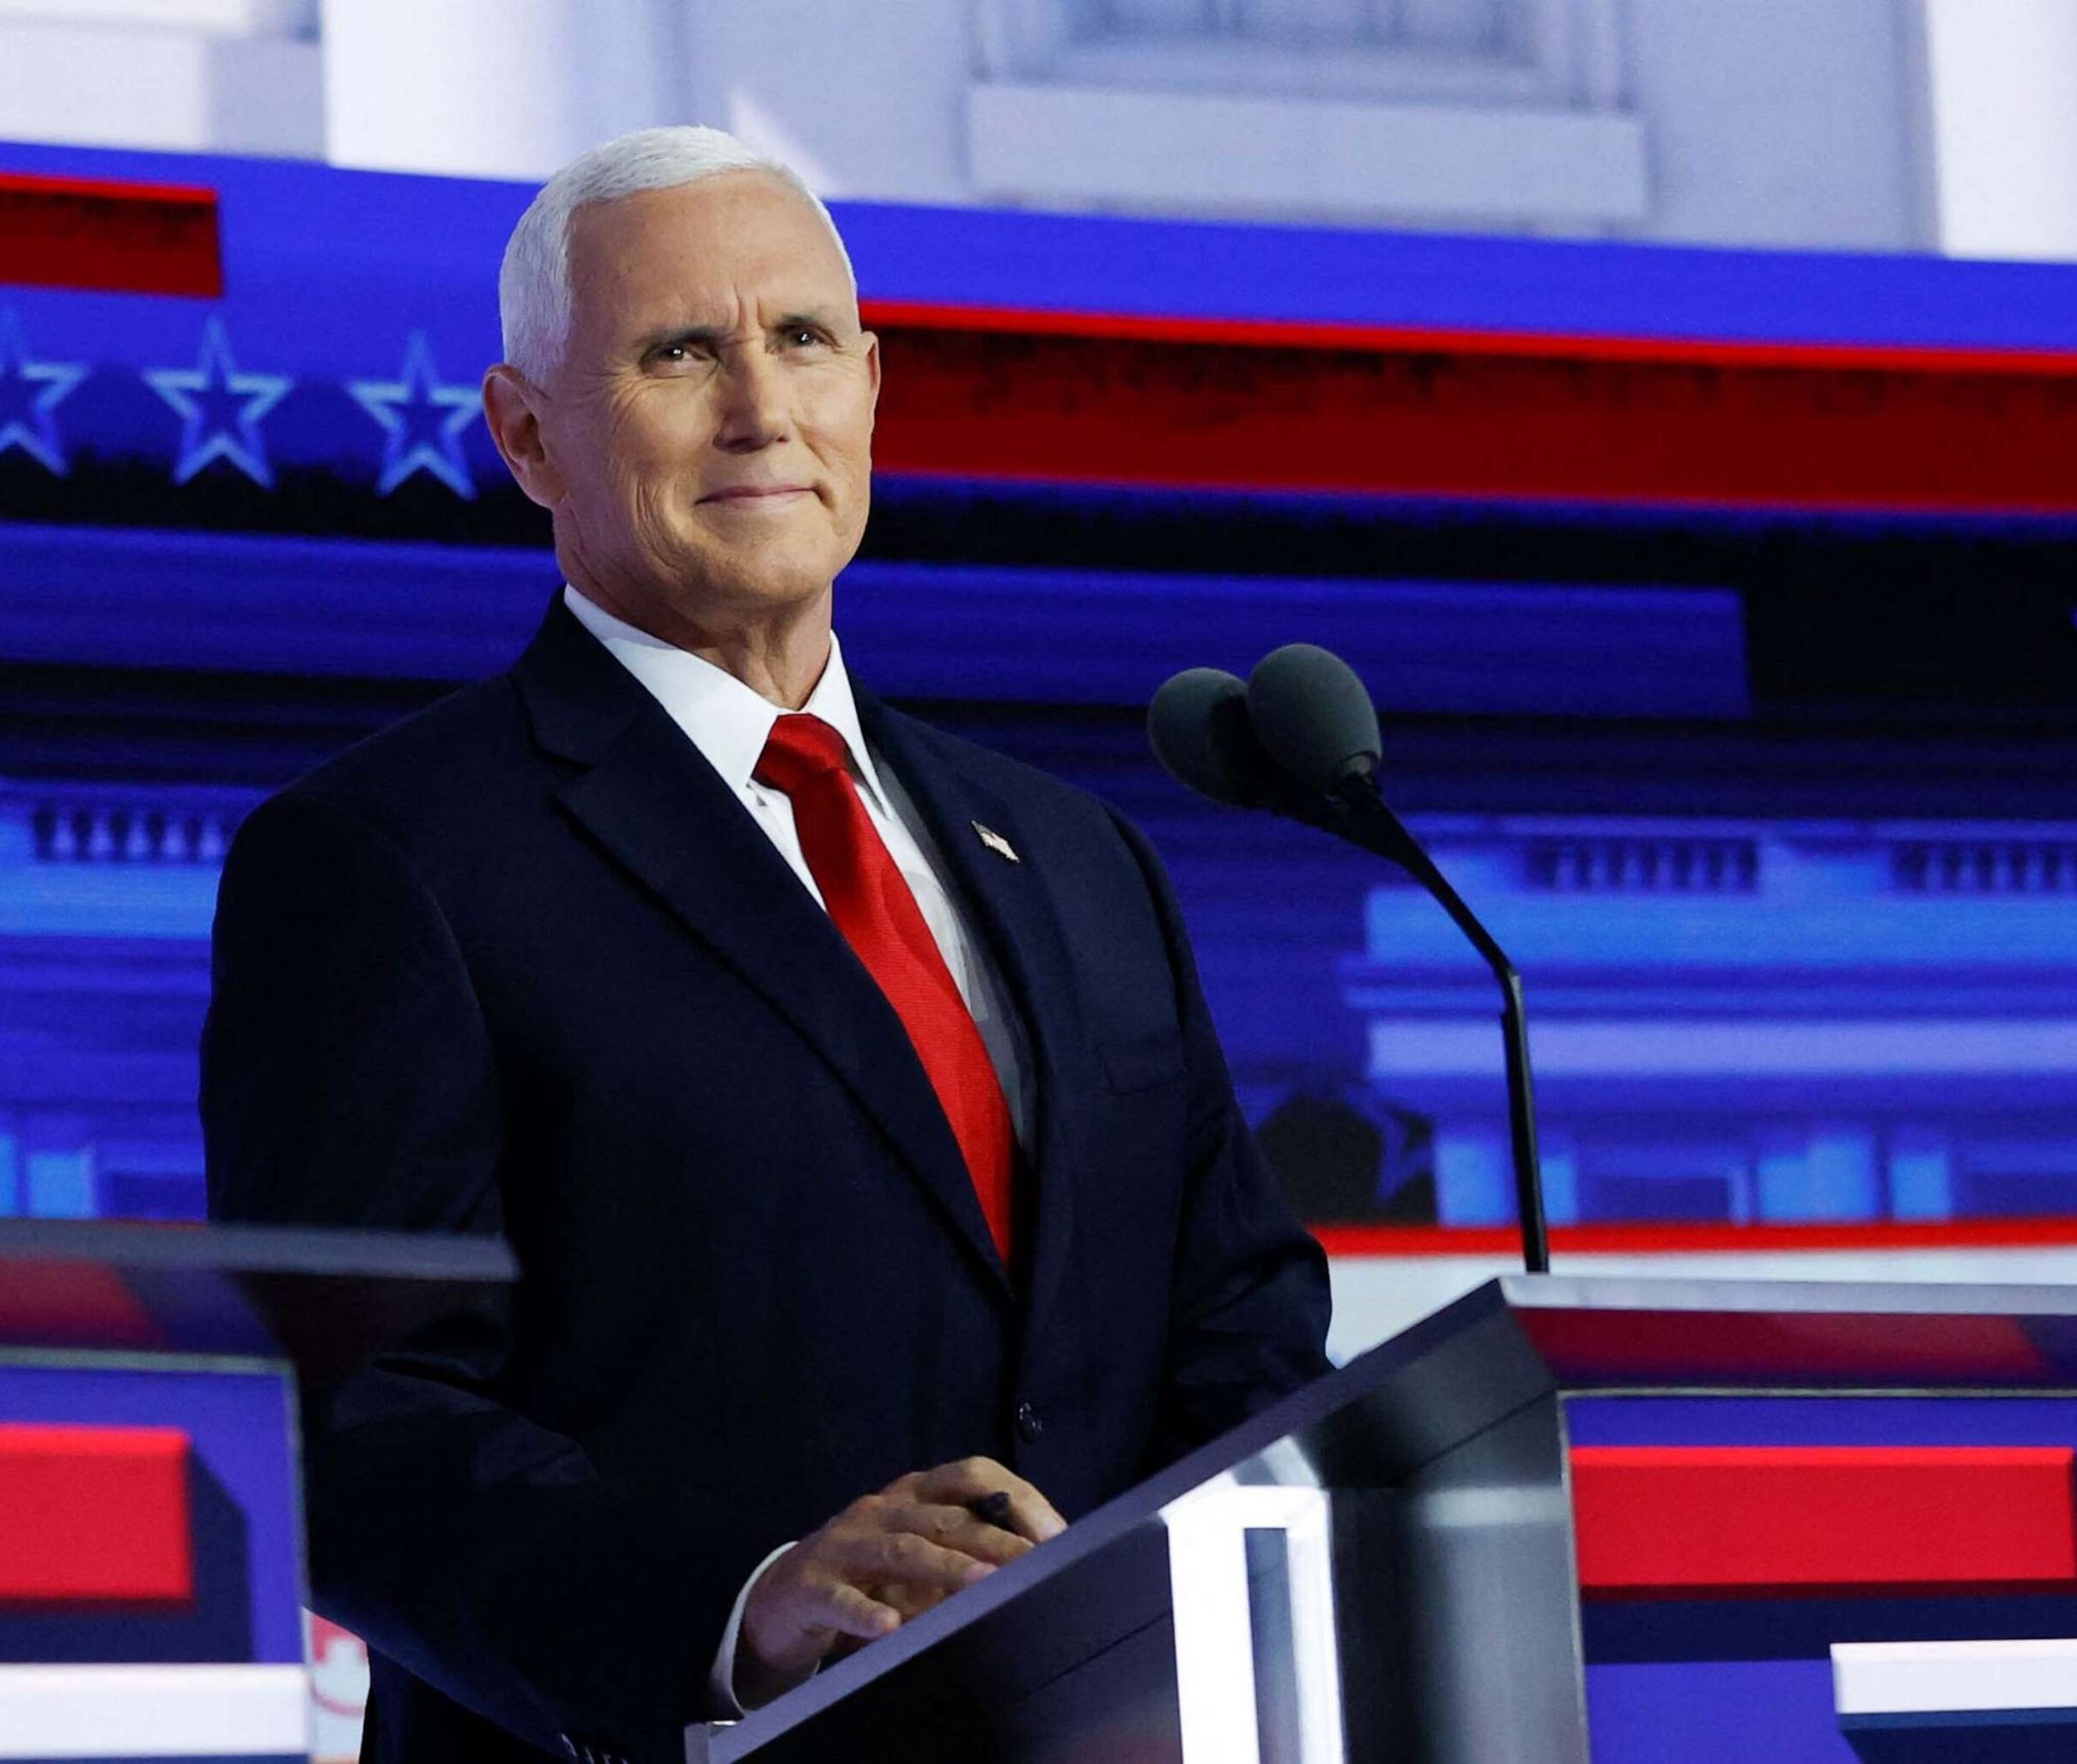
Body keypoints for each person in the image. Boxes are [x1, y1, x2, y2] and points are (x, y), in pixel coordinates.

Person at [199, 125, 1332, 1764]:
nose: (761, 409)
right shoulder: (384, 859)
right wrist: (740, 1607)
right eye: (679, 351)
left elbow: (1243, 1340)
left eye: (802, 341)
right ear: (527, 436)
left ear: (871, 385)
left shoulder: (1079, 857)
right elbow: (352, 1425)